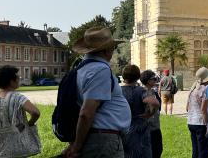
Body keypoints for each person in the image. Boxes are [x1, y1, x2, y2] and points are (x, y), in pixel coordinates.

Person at [62, 27, 132, 158]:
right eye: (113, 48)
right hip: (103, 141)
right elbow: (86, 113)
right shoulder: (99, 70)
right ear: (107, 50)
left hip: (96, 137)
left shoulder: (83, 69)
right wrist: (77, 145)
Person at [0, 65, 41, 158]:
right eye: (18, 78)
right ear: (11, 81)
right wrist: (29, 124)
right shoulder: (17, 97)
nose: (19, 80)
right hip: (13, 148)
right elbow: (35, 112)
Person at [121, 65, 160, 158]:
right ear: (138, 76)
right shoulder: (140, 90)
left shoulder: (118, 91)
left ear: (123, 76)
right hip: (139, 129)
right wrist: (150, 113)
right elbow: (155, 102)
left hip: (122, 128)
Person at [187, 67, 208, 158]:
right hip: (201, 123)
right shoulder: (205, 89)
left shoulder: (193, 88)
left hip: (191, 121)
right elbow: (203, 109)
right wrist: (207, 125)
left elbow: (187, 107)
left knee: (195, 149)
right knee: (203, 150)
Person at [141, 70, 163, 158]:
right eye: (154, 79)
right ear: (148, 81)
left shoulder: (154, 93)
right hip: (147, 129)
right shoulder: (141, 93)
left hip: (156, 127)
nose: (156, 80)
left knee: (158, 150)